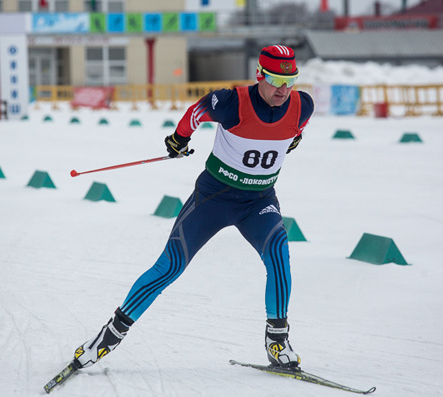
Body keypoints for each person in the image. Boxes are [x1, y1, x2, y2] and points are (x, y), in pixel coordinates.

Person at [72, 45, 314, 370]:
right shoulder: (232, 102)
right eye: (275, 80)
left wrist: (292, 136)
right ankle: (108, 336)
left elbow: (295, 131)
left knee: (279, 256)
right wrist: (179, 139)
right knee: (170, 266)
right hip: (214, 198)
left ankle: (277, 341)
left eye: (290, 81)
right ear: (260, 75)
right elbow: (196, 112)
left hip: (258, 201)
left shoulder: (302, 106)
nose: (283, 89)